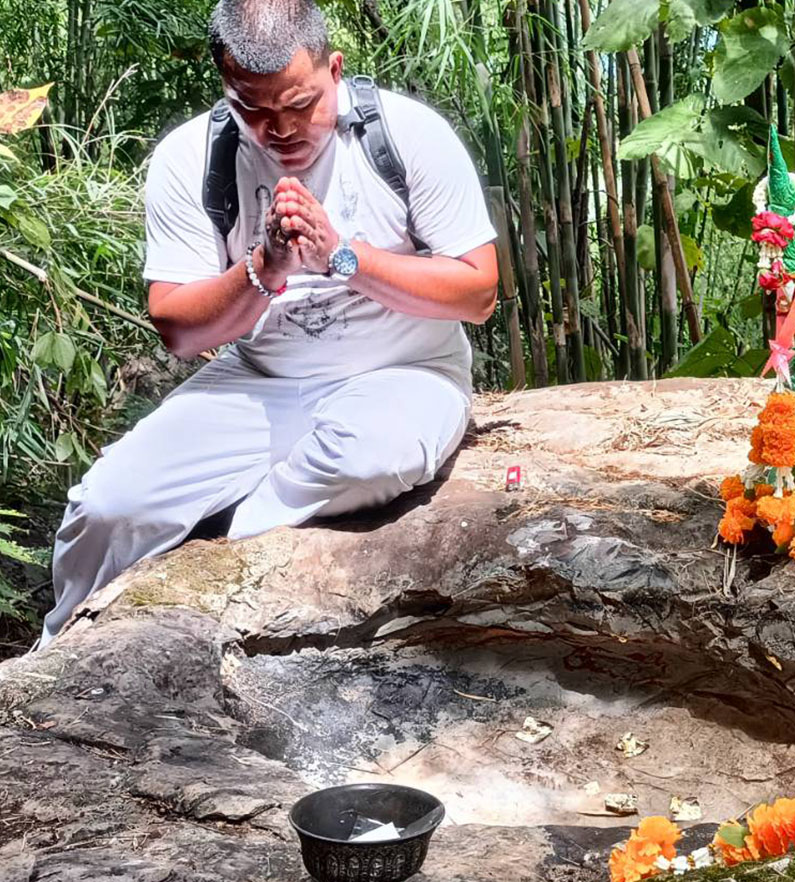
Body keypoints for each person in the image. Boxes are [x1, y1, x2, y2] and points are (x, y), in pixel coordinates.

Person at [39, 0, 499, 647]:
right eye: (252, 109)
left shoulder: (407, 134)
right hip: (261, 378)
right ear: (226, 89)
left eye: (300, 105)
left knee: (367, 456)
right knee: (110, 506)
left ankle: (211, 552)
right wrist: (266, 266)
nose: (281, 129)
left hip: (407, 369)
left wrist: (341, 255)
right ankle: (58, 649)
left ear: (334, 70)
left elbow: (478, 293)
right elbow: (179, 329)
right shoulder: (192, 157)